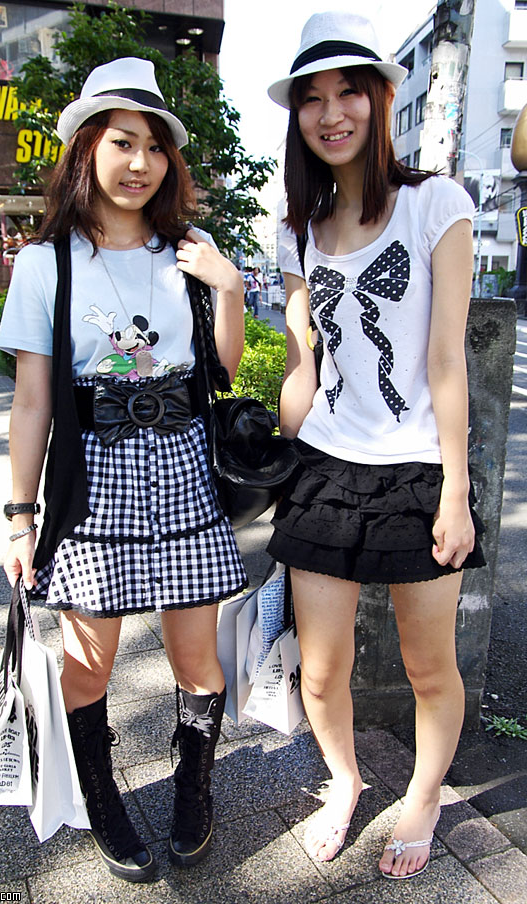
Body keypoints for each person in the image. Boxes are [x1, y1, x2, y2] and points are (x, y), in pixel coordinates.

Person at [0, 57, 247, 882]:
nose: (140, 163)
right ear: (86, 150)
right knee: (88, 661)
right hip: (93, 479)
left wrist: (231, 290)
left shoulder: (192, 251)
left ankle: (193, 787)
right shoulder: (45, 264)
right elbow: (33, 402)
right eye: (122, 142)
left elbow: (225, 373)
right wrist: (19, 518)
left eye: (154, 148)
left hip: (181, 469)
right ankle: (101, 796)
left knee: (195, 660)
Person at [266, 11, 485, 880]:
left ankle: (424, 796)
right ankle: (347, 780)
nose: (331, 114)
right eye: (312, 99)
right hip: (325, 466)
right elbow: (301, 364)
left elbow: (444, 360)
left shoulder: (438, 203)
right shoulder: (294, 229)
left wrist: (457, 489)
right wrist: (283, 469)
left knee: (431, 667)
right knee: (319, 675)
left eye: (347, 91)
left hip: (418, 469)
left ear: (380, 96)